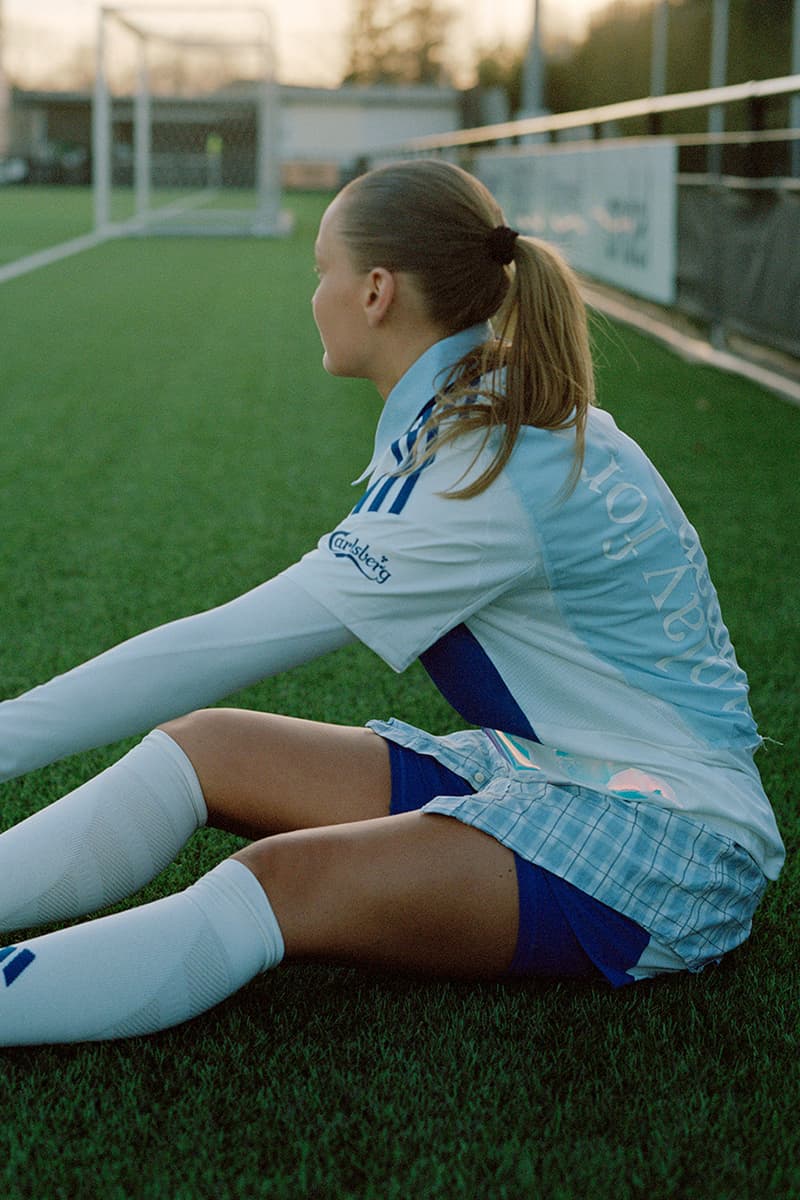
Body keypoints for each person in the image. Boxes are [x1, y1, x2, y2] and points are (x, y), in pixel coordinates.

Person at [0, 160, 784, 1045]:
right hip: (546, 769)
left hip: (671, 842)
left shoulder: (483, 468)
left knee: (281, 883)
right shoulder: (488, 409)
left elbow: (210, 648)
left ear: (376, 292)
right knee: (207, 745)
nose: (315, 294)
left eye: (320, 270)